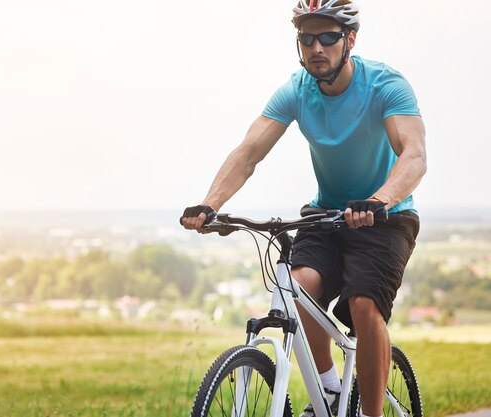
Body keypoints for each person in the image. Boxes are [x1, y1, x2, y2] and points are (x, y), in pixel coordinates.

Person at [181, 1, 427, 416]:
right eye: (307, 37)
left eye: (328, 36)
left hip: (386, 217)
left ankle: (370, 414)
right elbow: (248, 152)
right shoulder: (297, 90)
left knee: (365, 305)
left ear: (350, 40)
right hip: (327, 214)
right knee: (297, 289)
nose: (317, 47)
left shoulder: (386, 85)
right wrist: (211, 204)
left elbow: (414, 155)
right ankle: (330, 390)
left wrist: (380, 199)